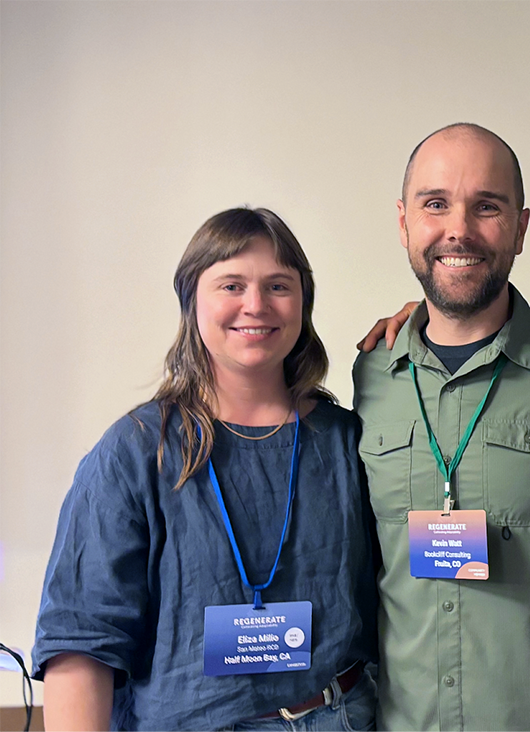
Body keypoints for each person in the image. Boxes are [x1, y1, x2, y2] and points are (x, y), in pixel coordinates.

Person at [33, 208, 378, 732]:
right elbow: (81, 643)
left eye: (278, 285)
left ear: (304, 301)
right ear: (192, 298)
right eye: (231, 285)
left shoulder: (346, 440)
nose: (256, 305)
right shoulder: (135, 451)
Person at [352, 123, 530, 731]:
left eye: (486, 207)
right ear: (404, 223)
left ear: (521, 228)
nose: (458, 229)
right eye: (435, 203)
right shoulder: (372, 374)